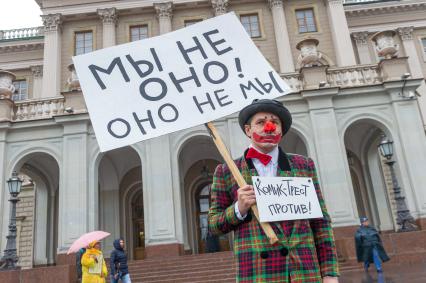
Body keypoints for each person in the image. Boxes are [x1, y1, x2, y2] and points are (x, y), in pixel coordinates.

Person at [208, 99, 339, 282]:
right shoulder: (227, 171)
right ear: (248, 130)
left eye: (275, 123)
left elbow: (321, 223)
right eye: (260, 122)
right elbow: (214, 226)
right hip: (259, 274)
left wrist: (330, 273)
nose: (269, 127)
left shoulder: (303, 165)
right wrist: (239, 208)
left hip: (304, 273)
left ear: (281, 130)